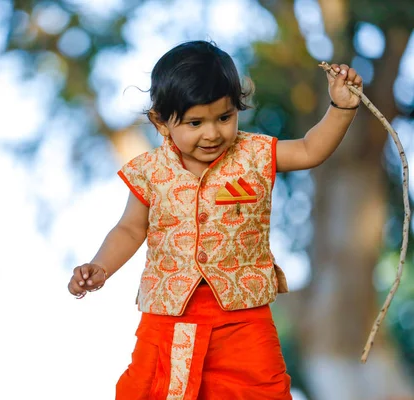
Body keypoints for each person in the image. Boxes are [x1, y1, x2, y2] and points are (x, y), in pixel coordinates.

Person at [67, 40, 362, 399]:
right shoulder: (150, 171)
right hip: (167, 318)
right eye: (195, 122)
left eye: (224, 117)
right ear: (161, 122)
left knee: (264, 390)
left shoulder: (255, 154)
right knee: (149, 389)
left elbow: (309, 149)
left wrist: (340, 108)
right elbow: (130, 228)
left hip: (244, 320)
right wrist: (100, 266)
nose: (212, 133)